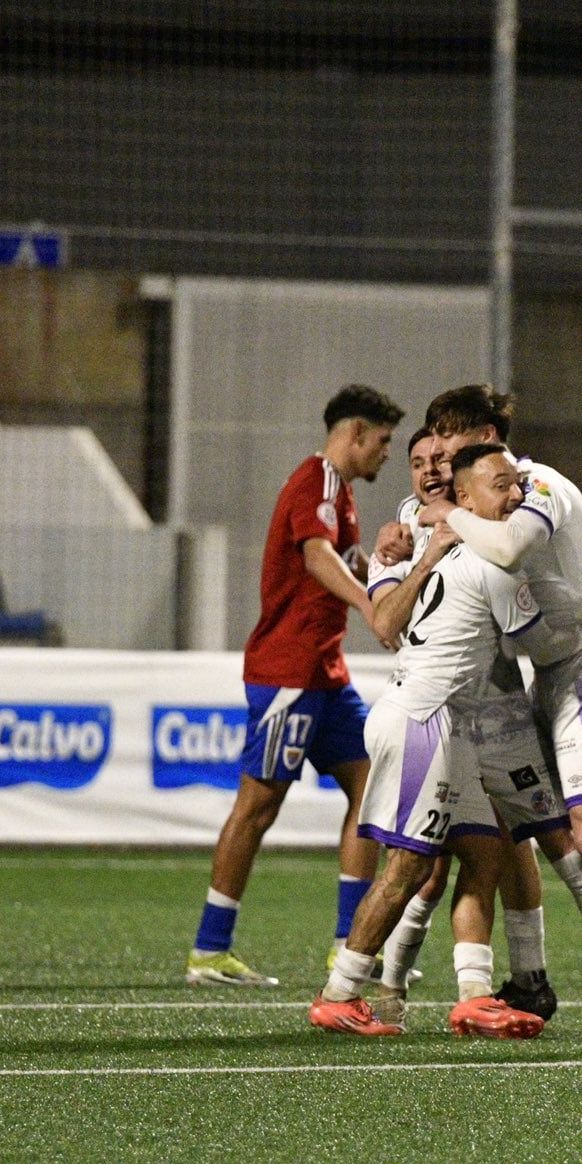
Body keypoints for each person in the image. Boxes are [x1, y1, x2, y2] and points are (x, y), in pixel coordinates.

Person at [417, 385, 582, 1042]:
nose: (440, 455)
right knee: (536, 828)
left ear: (482, 435)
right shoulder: (469, 503)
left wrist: (448, 520)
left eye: (450, 439)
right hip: (552, 671)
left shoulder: (536, 486)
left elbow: (509, 550)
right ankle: (536, 979)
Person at [366, 423, 582, 1028]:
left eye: (441, 457)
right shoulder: (405, 529)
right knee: (433, 863)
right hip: (436, 713)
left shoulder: (507, 511)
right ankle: (389, 988)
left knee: (553, 841)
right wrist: (400, 551)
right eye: (419, 461)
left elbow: (533, 574)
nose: (431, 469)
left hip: (501, 709)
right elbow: (385, 623)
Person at [310, 442, 549, 1039]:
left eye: (518, 484)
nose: (517, 496)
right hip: (427, 718)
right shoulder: (492, 562)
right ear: (465, 499)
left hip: (439, 719)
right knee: (409, 866)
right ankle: (342, 993)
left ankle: (474, 994)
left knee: (485, 851)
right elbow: (541, 646)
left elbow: (387, 622)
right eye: (502, 486)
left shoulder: (439, 548)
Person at [185, 384, 403, 987]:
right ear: (355, 433)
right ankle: (209, 950)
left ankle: (348, 945)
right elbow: (315, 557)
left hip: (326, 674)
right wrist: (369, 605)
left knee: (372, 788)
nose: (388, 453)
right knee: (258, 807)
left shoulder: (344, 496)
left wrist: (388, 571)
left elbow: (345, 558)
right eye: (383, 441)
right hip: (289, 673)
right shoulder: (317, 481)